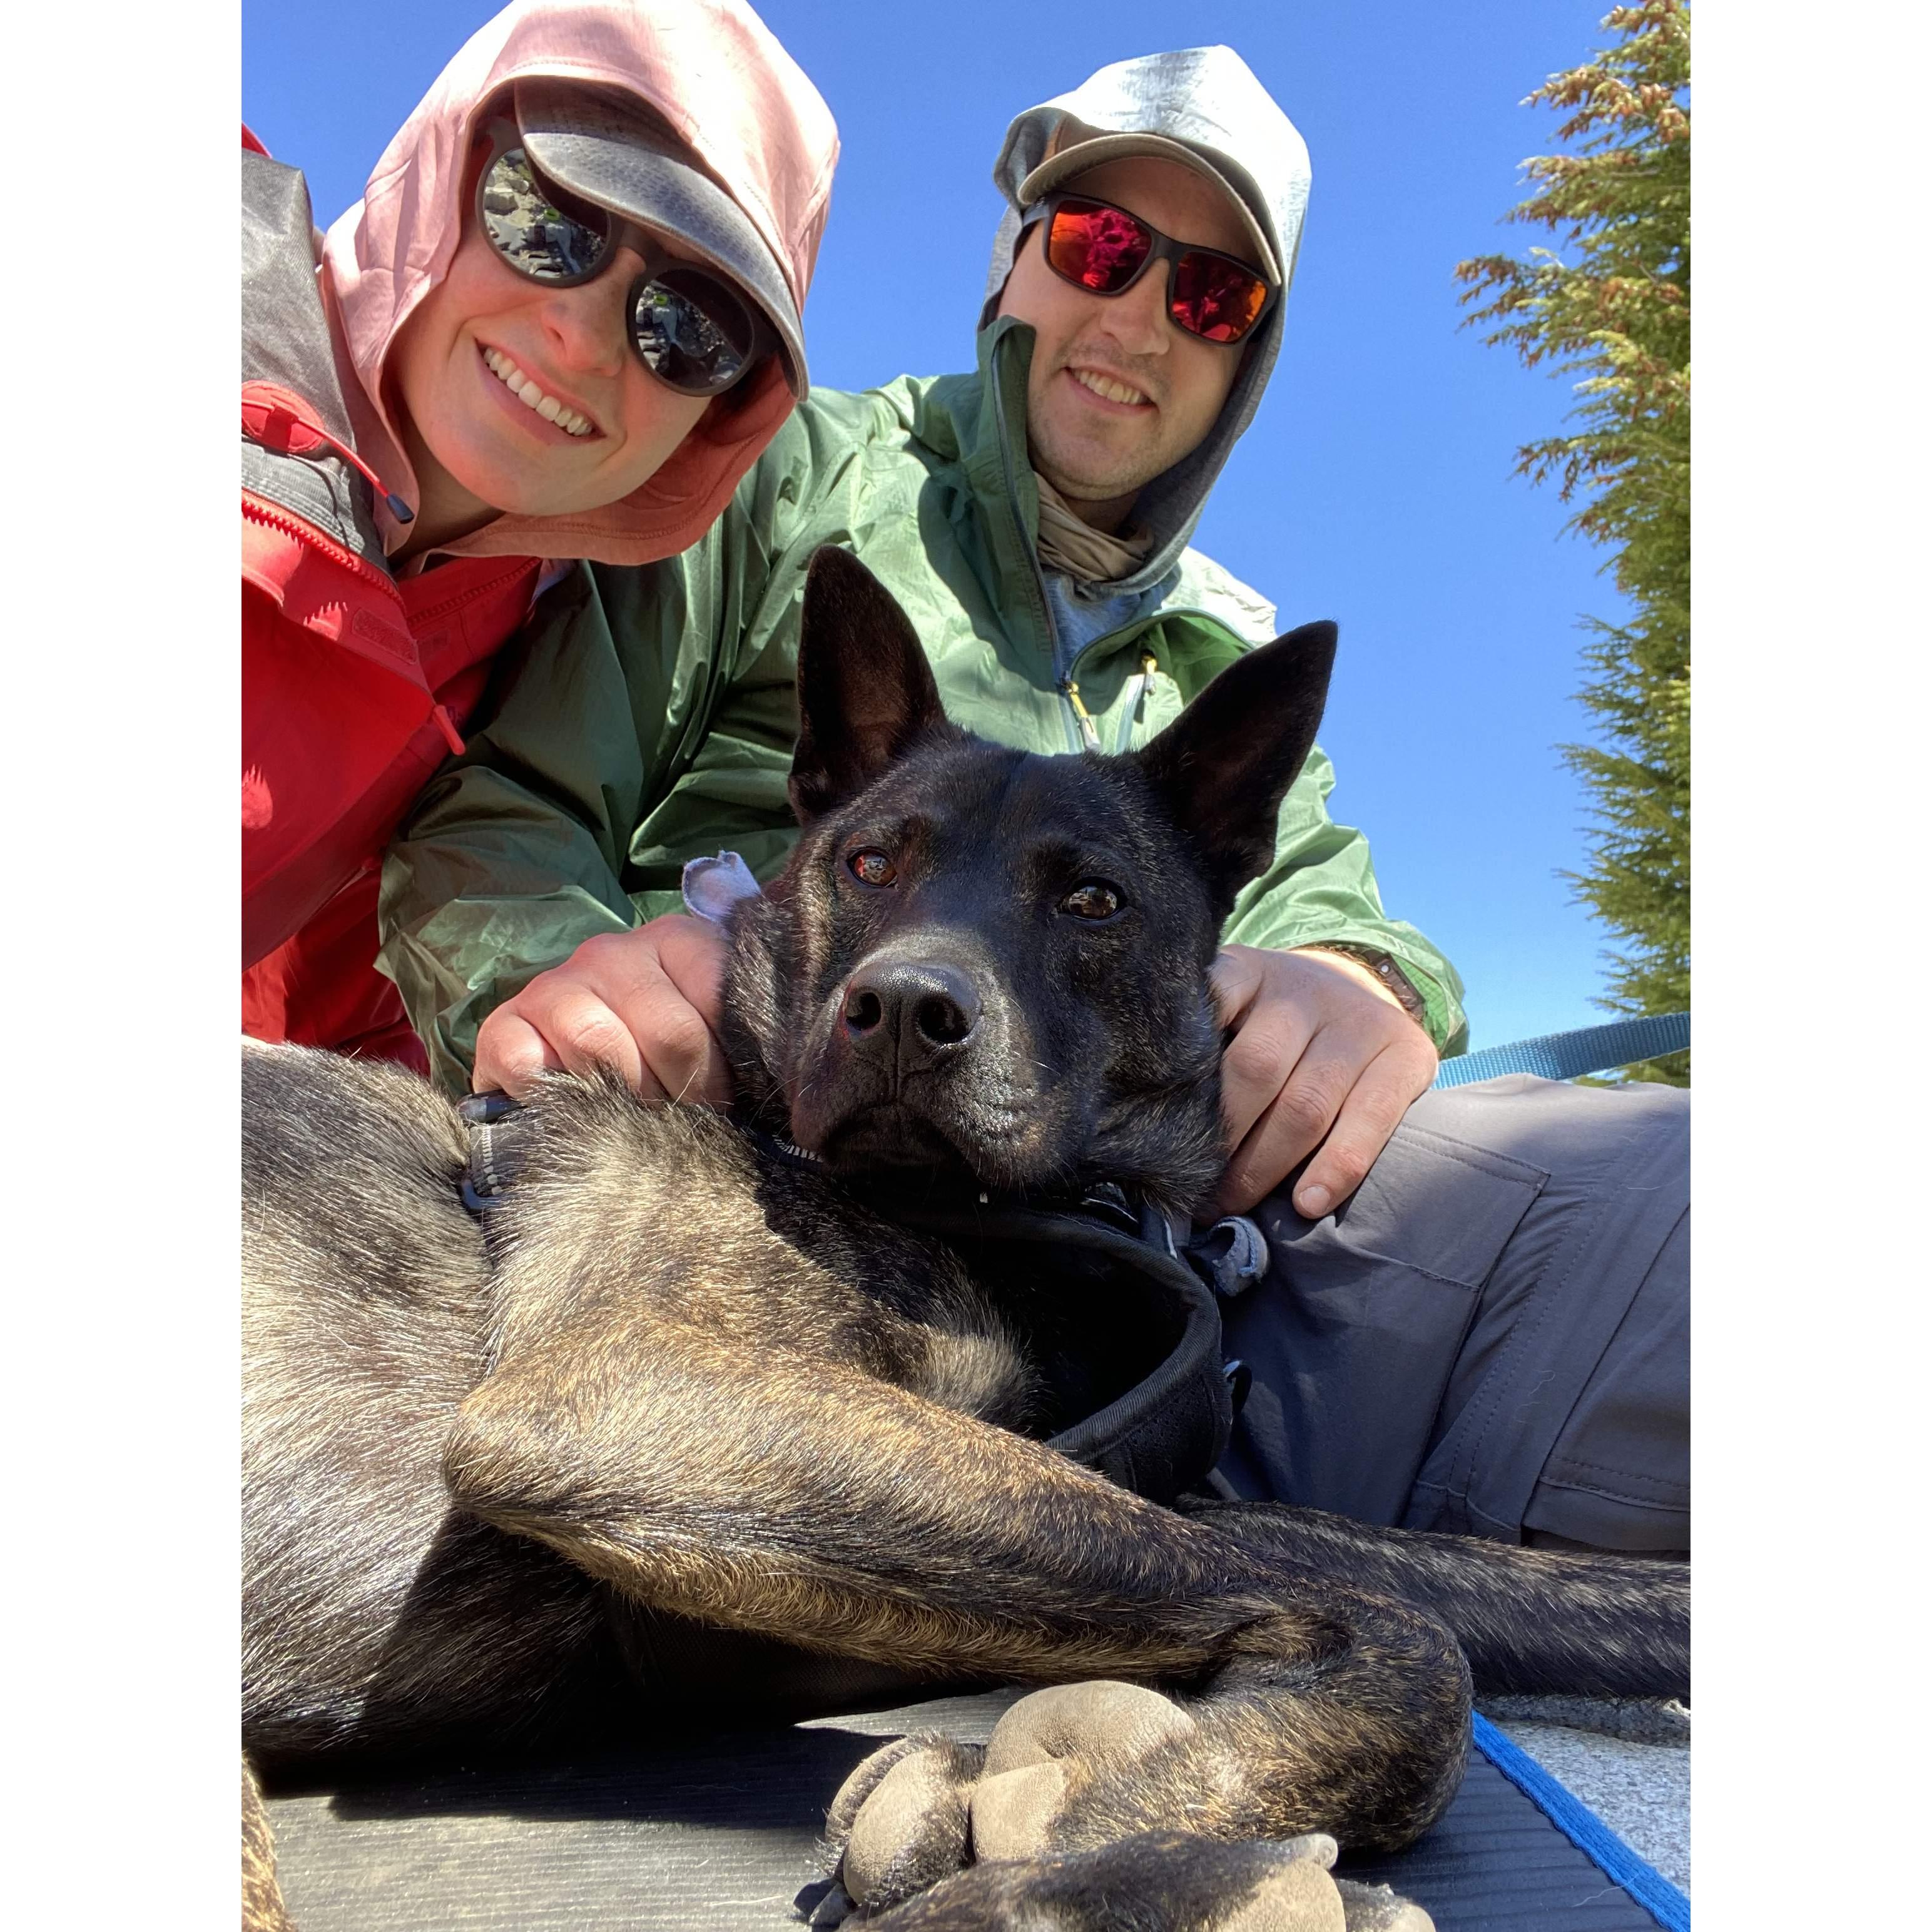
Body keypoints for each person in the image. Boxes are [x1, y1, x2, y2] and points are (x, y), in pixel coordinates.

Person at [379, 46, 1689, 1557]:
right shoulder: (786, 475)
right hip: (743, 1174)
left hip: (1147, 1237)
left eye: (1207, 296)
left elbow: (1326, 901)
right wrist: (563, 972)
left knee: (1661, 1197)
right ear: (1013, 261)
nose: (1135, 314)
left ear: (1243, 362)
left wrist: (1357, 982)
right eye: (1099, 246)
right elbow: (497, 807)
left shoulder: (1231, 652)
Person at [242, 0, 838, 1069]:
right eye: (552, 218)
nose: (584, 338)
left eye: (689, 328)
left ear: (721, 419)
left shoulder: (518, 658)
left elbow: (329, 1012)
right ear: (447, 167)